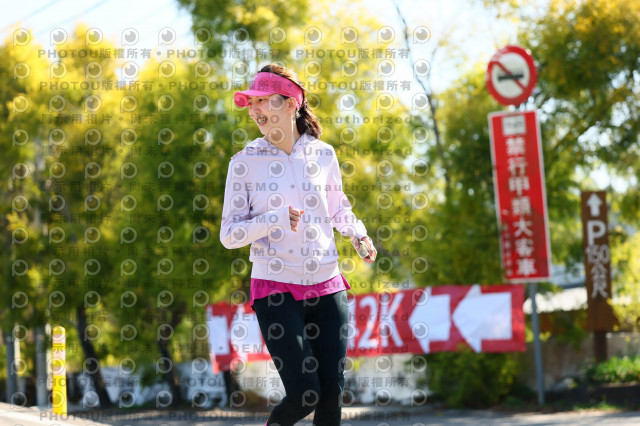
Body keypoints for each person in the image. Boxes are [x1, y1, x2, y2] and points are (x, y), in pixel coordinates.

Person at [219, 63, 377, 426]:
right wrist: (273, 219)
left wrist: (358, 234)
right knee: (306, 392)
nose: (255, 110)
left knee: (331, 396)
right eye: (251, 103)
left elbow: (338, 208)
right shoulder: (244, 163)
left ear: (291, 103)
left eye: (263, 101)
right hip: (275, 287)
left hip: (327, 283)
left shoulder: (324, 154)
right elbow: (229, 234)